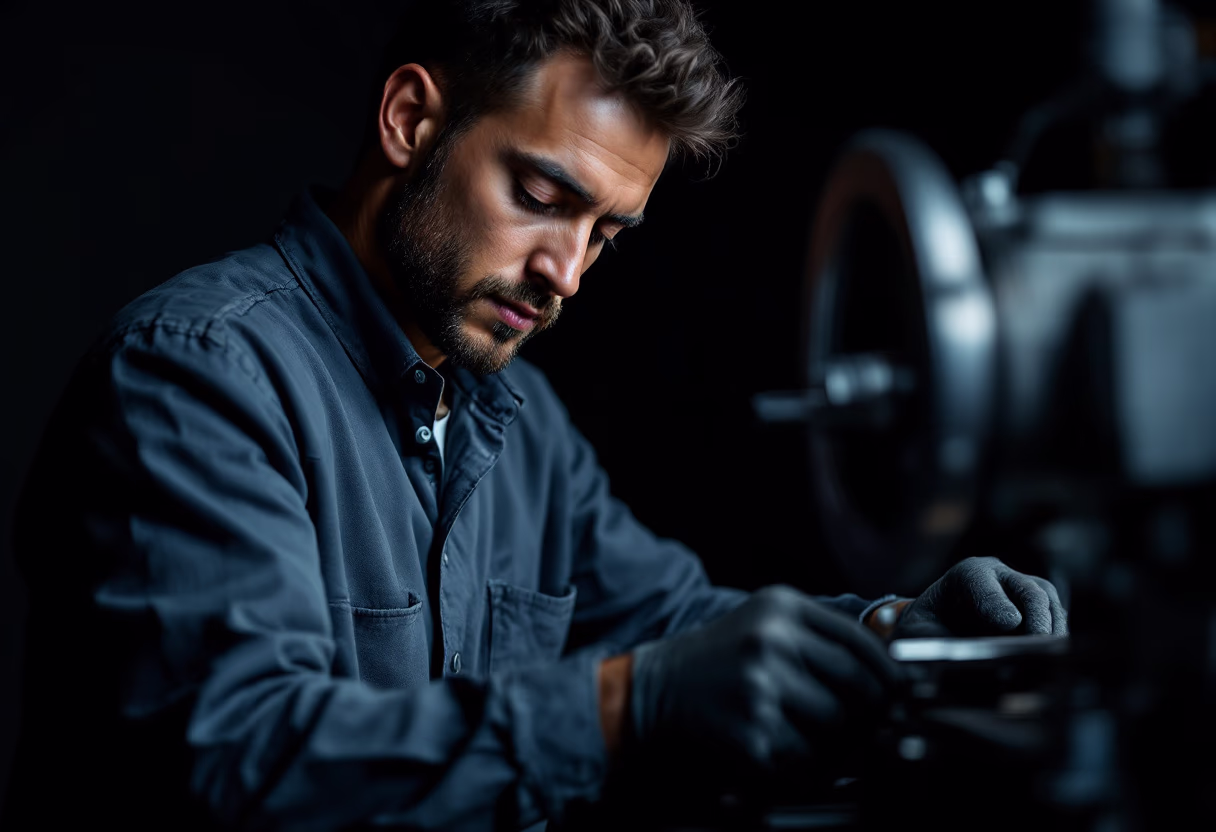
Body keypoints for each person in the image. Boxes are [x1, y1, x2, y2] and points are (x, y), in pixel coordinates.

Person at [4, 1, 1068, 829]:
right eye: (543, 196)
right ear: (411, 120)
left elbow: (670, 625)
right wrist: (616, 711)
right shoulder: (198, 376)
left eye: (606, 231)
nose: (566, 272)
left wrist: (894, 635)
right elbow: (245, 755)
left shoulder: (517, 415)